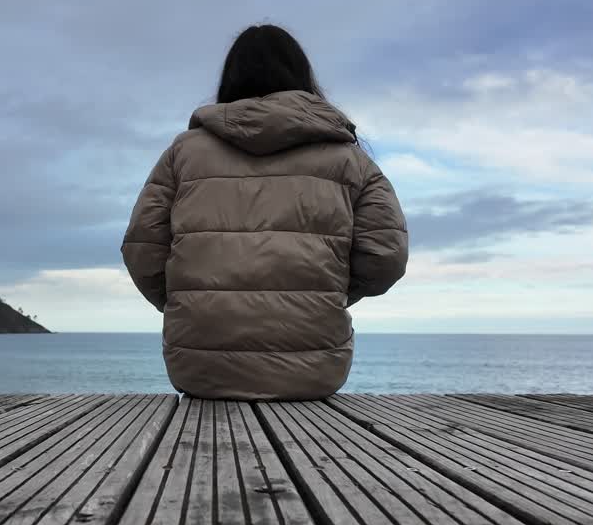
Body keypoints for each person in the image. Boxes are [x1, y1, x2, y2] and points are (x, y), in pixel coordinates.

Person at [122, 24, 408, 401]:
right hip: (314, 372)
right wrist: (323, 295)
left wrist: (191, 302)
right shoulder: (348, 158)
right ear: (303, 77)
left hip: (200, 369)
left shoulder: (184, 153)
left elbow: (142, 249)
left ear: (231, 79)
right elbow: (386, 256)